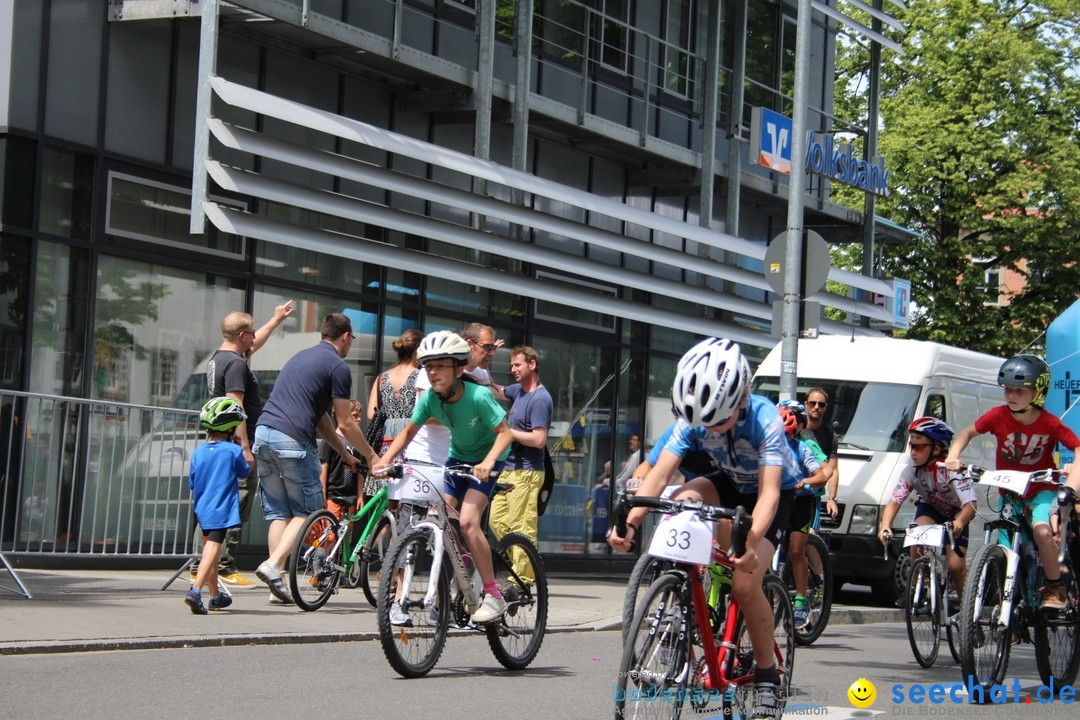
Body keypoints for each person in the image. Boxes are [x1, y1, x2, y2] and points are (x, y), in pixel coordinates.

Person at [609, 337, 801, 720]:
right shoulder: (693, 418)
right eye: (701, 421)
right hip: (726, 480)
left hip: (774, 492)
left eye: (715, 420)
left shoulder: (764, 420)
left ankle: (766, 675)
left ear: (739, 399)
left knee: (746, 582)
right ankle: (683, 591)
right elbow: (660, 473)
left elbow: (767, 496)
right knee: (682, 498)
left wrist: (750, 541)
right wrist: (630, 521)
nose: (706, 427)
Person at [372, 330, 514, 624]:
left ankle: (493, 594)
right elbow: (409, 431)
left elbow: (505, 434)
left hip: (487, 460)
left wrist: (488, 462)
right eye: (428, 366)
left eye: (440, 366)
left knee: (467, 521)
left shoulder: (479, 395)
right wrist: (384, 460)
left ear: (459, 368)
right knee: (441, 519)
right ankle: (462, 576)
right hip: (458, 458)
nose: (432, 372)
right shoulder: (432, 400)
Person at [252, 313, 380, 604]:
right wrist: (370, 456)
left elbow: (323, 420)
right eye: (352, 339)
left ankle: (277, 582)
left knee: (279, 513)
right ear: (346, 336)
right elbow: (345, 423)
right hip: (292, 440)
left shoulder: (300, 357)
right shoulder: (338, 366)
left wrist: (345, 455)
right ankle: (272, 566)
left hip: (264, 434)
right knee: (305, 512)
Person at [945, 354, 1080, 609]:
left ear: (1038, 392)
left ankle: (1054, 587)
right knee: (1006, 552)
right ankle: (1009, 608)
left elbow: (1077, 446)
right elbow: (967, 432)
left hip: (1041, 491)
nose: (1011, 396)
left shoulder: (1049, 423)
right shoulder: (997, 416)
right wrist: (953, 455)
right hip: (1010, 493)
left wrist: (1071, 480)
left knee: (1042, 531)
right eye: (1007, 389)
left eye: (1019, 390)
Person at [191, 300, 295, 586]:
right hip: (235, 442)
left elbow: (251, 345)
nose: (252, 337)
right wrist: (245, 448)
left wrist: (275, 320)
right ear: (241, 336)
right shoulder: (236, 364)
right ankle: (224, 565)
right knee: (237, 499)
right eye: (249, 333)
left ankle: (204, 563)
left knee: (214, 500)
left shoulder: (220, 357)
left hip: (219, 439)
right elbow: (235, 405)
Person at [878, 417, 975, 599]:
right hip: (931, 508)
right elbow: (894, 501)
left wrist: (960, 522)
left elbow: (971, 505)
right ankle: (917, 588)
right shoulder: (912, 469)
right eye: (911, 446)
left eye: (919, 447)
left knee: (956, 566)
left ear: (936, 449)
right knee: (918, 534)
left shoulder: (952, 469)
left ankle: (965, 608)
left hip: (957, 514)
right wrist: (885, 525)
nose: (913, 452)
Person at [488, 346, 552, 585]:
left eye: (517, 365)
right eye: (512, 365)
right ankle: (518, 562)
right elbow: (493, 390)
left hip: (527, 472)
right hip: (509, 469)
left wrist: (507, 432)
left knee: (522, 525)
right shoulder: (519, 392)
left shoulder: (540, 399)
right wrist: (484, 360)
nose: (512, 369)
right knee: (496, 519)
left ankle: (523, 578)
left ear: (532, 365)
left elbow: (538, 440)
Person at [186, 397, 251, 614]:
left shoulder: (198, 452)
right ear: (230, 427)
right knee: (214, 548)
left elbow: (192, 482)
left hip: (203, 508)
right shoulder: (232, 451)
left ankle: (215, 596)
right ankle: (195, 591)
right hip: (221, 508)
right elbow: (244, 473)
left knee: (209, 552)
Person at [776, 402, 827, 628]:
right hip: (777, 501)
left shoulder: (802, 448)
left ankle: (801, 601)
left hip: (801, 502)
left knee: (797, 549)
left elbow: (821, 476)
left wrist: (806, 481)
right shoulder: (767, 446)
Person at [364, 329, 421, 499]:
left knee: (384, 498)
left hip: (385, 444)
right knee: (406, 498)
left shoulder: (382, 377)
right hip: (410, 441)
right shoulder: (421, 377)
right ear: (417, 351)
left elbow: (370, 413)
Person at [319, 400, 364, 518]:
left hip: (351, 499)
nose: (359, 419)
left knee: (347, 533)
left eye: (359, 416)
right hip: (333, 498)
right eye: (355, 416)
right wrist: (322, 495)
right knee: (331, 533)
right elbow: (323, 468)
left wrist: (360, 496)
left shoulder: (358, 443)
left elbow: (360, 472)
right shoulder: (330, 441)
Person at [802, 388, 839, 517]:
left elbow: (832, 469)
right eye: (812, 403)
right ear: (806, 404)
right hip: (794, 493)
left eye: (821, 404)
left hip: (814, 495)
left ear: (825, 407)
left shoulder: (830, 435)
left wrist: (831, 499)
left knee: (811, 534)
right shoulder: (796, 429)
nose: (816, 407)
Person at [461, 322, 504, 397]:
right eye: (487, 347)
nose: (492, 353)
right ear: (469, 344)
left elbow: (495, 391)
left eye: (493, 348)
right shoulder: (450, 373)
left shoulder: (482, 374)